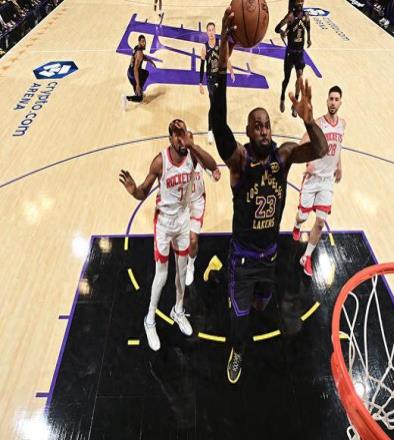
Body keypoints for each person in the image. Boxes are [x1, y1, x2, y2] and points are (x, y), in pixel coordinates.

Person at [211, 6, 328, 384]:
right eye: (256, 125)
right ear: (248, 132)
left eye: (266, 125)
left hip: (271, 254)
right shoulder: (239, 162)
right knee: (240, 320)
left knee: (262, 302)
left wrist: (309, 119)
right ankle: (237, 351)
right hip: (243, 258)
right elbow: (217, 124)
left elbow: (321, 149)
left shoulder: (284, 156)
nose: (263, 129)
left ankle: (248, 304)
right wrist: (222, 59)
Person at [119, 120, 218, 351]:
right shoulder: (160, 161)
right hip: (164, 224)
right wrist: (134, 191)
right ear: (171, 139)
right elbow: (143, 191)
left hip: (183, 220)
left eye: (184, 134)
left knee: (181, 272)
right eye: (178, 135)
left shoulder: (192, 156)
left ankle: (178, 310)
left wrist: (193, 146)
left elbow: (213, 166)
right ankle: (149, 319)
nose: (182, 139)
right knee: (161, 275)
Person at [292, 86, 345, 277]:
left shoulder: (342, 124)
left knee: (320, 222)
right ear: (327, 101)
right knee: (303, 216)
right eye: (331, 99)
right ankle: (297, 225)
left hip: (327, 181)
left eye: (336, 99)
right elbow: (302, 143)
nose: (333, 102)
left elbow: (338, 147)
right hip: (313, 178)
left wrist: (339, 166)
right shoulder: (319, 124)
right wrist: (308, 162)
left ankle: (306, 257)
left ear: (340, 102)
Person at [186, 131, 222, 286]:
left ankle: (190, 266)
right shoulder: (175, 160)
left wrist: (215, 174)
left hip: (197, 202)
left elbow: (213, 173)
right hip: (181, 205)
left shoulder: (199, 158)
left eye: (190, 140)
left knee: (193, 240)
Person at [199, 21, 235, 144]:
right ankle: (210, 131)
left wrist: (231, 71)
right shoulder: (204, 48)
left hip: (220, 77)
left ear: (215, 31)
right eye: (209, 30)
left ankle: (220, 128)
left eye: (212, 30)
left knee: (221, 104)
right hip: (210, 79)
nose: (211, 32)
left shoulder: (220, 44)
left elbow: (226, 58)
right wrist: (200, 83)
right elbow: (202, 66)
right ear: (206, 32)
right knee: (214, 104)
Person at [275, 0, 311, 116]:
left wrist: (309, 39)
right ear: (295, 2)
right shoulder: (290, 16)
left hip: (300, 53)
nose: (300, 3)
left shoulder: (306, 16)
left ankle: (295, 104)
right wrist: (282, 32)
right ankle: (282, 98)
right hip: (290, 53)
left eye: (301, 1)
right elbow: (277, 28)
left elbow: (308, 28)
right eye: (298, 1)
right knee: (286, 79)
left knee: (300, 78)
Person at [121, 35, 158, 109]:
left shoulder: (137, 47)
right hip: (133, 75)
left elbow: (143, 57)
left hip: (129, 72)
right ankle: (126, 98)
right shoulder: (139, 54)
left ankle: (139, 92)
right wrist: (138, 84)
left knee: (145, 73)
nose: (144, 43)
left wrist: (150, 61)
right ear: (139, 42)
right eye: (142, 42)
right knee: (140, 98)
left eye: (144, 41)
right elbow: (135, 69)